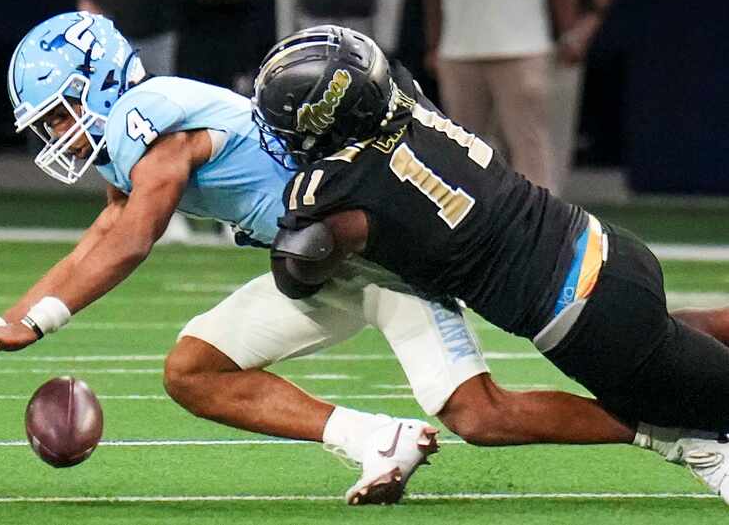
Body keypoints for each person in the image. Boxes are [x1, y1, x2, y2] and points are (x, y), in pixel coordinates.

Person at [0, 13, 717, 506]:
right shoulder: (135, 140)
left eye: (61, 113)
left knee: (478, 413)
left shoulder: (148, 110)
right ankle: (374, 438)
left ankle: (673, 433)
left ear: (99, 83)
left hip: (378, 248)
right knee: (193, 368)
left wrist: (34, 325)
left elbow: (131, 234)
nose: (58, 134)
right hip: (321, 261)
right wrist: (6, 322)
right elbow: (109, 225)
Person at [253, 25, 729, 503]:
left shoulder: (331, 193)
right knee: (671, 340)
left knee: (691, 404)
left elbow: (297, 275)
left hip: (587, 319)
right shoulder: (405, 93)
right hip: (607, 247)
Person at [418, 0, 580, 195]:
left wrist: (569, 35)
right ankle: (466, 219)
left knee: (528, 143)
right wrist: (435, 44)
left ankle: (540, 222)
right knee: (461, 146)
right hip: (459, 50)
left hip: (523, 49)